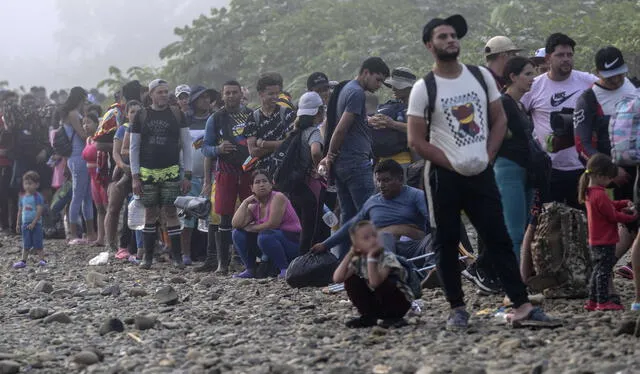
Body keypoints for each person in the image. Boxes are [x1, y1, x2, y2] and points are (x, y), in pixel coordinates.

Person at [407, 14, 554, 330]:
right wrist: (451, 162)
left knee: (498, 237)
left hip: (481, 170)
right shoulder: (424, 87)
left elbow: (499, 119)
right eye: (442, 36)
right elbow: (415, 140)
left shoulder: (479, 77)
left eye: (453, 36)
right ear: (429, 45)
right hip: (442, 174)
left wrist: (487, 156)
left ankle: (522, 305)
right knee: (445, 241)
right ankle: (457, 309)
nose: (450, 40)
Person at [573, 46, 638, 279]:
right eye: (611, 77)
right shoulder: (588, 99)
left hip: (636, 163)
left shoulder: (634, 87)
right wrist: (610, 171)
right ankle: (600, 269)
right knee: (628, 219)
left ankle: (619, 266)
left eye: (620, 73)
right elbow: (582, 143)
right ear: (598, 73)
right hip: (613, 170)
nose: (617, 80)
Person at [521, 33, 598, 209]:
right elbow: (511, 113)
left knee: (584, 226)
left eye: (569, 55)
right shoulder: (534, 86)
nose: (566, 59)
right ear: (548, 58)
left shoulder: (587, 81)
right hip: (548, 169)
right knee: (547, 227)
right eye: (560, 55)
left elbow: (614, 91)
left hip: (583, 167)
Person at [319, 57, 390, 226]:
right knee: (369, 214)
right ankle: (377, 252)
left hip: (343, 163)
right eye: (378, 79)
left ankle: (347, 253)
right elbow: (341, 128)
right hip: (355, 163)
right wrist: (329, 155)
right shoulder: (356, 92)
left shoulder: (347, 88)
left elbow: (349, 124)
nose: (379, 85)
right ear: (366, 73)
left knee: (349, 217)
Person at [130, 79, 192, 269]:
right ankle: (148, 257)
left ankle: (177, 257)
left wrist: (187, 174)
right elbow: (134, 147)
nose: (164, 95)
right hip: (148, 173)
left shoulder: (177, 114)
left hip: (171, 171)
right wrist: (135, 176)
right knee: (150, 213)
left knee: (171, 212)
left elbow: (186, 144)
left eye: (166, 92)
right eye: (160, 92)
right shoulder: (141, 115)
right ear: (151, 95)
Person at [311, 159, 429, 259]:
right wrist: (325, 245)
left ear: (400, 179)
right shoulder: (372, 202)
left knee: (433, 240)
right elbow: (351, 225)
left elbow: (433, 220)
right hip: (384, 249)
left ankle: (433, 273)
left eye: (386, 180)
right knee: (383, 238)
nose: (381, 185)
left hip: (414, 246)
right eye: (378, 181)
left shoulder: (416, 195)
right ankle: (391, 274)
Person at [198, 80, 253, 274]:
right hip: (225, 172)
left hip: (248, 172)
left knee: (250, 215)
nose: (230, 96)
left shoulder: (251, 115)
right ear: (222, 96)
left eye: (234, 92)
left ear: (241, 94)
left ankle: (245, 260)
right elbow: (205, 148)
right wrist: (218, 149)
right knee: (224, 217)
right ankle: (223, 263)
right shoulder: (215, 118)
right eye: (227, 93)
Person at [579, 153, 637, 311]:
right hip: (605, 239)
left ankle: (592, 301)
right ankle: (603, 302)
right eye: (608, 178)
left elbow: (609, 206)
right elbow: (612, 215)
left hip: (596, 239)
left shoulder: (590, 192)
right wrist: (631, 217)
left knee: (597, 271)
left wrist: (623, 202)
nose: (610, 182)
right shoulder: (600, 194)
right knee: (603, 273)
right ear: (599, 175)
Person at [493, 56, 536, 261]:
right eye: (527, 74)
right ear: (512, 76)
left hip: (526, 168)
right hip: (508, 168)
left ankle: (523, 275)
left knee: (527, 226)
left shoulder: (520, 106)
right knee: (515, 229)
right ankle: (515, 282)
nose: (533, 78)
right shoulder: (502, 104)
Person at [332, 221, 413, 328]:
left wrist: (371, 258)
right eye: (366, 238)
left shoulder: (387, 257)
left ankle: (393, 317)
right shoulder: (359, 260)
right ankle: (369, 316)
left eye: (374, 235)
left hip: (398, 302)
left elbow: (376, 283)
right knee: (352, 279)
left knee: (385, 282)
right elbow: (337, 278)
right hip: (377, 300)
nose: (373, 240)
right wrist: (350, 254)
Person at [231, 170, 301, 278]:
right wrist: (245, 203)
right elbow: (236, 224)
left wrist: (250, 228)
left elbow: (272, 224)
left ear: (271, 184)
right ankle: (250, 269)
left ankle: (285, 269)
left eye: (264, 181)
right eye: (257, 182)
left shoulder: (278, 197)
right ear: (252, 187)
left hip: (291, 242)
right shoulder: (254, 205)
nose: (261, 185)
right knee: (237, 233)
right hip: (270, 246)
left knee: (265, 236)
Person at [287, 91, 328, 253]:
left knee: (302, 226)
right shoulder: (313, 132)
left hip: (294, 186)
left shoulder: (294, 131)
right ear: (318, 112)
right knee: (312, 228)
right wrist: (320, 169)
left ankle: (301, 261)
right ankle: (306, 262)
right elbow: (316, 151)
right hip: (311, 185)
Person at [181, 85, 216, 266]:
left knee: (209, 217)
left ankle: (208, 254)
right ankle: (185, 253)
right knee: (187, 216)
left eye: (208, 97)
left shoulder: (214, 119)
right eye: (202, 98)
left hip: (210, 175)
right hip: (189, 175)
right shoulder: (185, 120)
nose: (205, 101)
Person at [109, 100, 143, 261]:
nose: (135, 114)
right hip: (128, 170)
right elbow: (117, 152)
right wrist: (123, 166)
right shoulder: (123, 129)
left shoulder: (145, 127)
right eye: (132, 112)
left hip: (143, 171)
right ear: (127, 114)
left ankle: (140, 246)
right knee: (127, 209)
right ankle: (122, 245)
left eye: (138, 111)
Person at [62, 87, 96, 244]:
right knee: (77, 195)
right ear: (81, 99)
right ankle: (73, 233)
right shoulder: (73, 114)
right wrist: (96, 130)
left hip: (83, 157)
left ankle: (90, 233)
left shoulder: (75, 113)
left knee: (87, 196)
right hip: (77, 157)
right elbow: (83, 135)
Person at [369, 67, 417, 179]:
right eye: (393, 85)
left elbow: (419, 130)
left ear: (409, 87)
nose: (394, 88)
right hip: (381, 162)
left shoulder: (417, 106)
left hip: (404, 161)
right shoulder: (392, 105)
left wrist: (392, 124)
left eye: (398, 86)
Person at [245, 74, 296, 173]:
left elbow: (292, 143)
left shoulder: (287, 114)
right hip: (262, 175)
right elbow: (253, 152)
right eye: (271, 94)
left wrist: (264, 144)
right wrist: (280, 144)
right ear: (260, 94)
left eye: (277, 93)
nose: (275, 97)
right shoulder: (252, 118)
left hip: (285, 171)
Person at [81, 113, 107, 246]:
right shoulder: (88, 140)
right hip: (92, 178)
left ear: (97, 124)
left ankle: (111, 239)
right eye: (84, 123)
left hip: (101, 177)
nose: (85, 126)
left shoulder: (101, 139)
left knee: (108, 208)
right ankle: (100, 238)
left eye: (88, 122)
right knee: (99, 208)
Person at [13, 171, 46, 268]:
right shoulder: (22, 197)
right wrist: (18, 223)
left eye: (30, 184)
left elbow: (40, 210)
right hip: (25, 224)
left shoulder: (37, 197)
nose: (28, 186)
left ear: (37, 185)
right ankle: (23, 261)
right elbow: (20, 210)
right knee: (26, 243)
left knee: (38, 243)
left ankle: (42, 259)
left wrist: (34, 222)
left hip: (36, 224)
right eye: (26, 184)